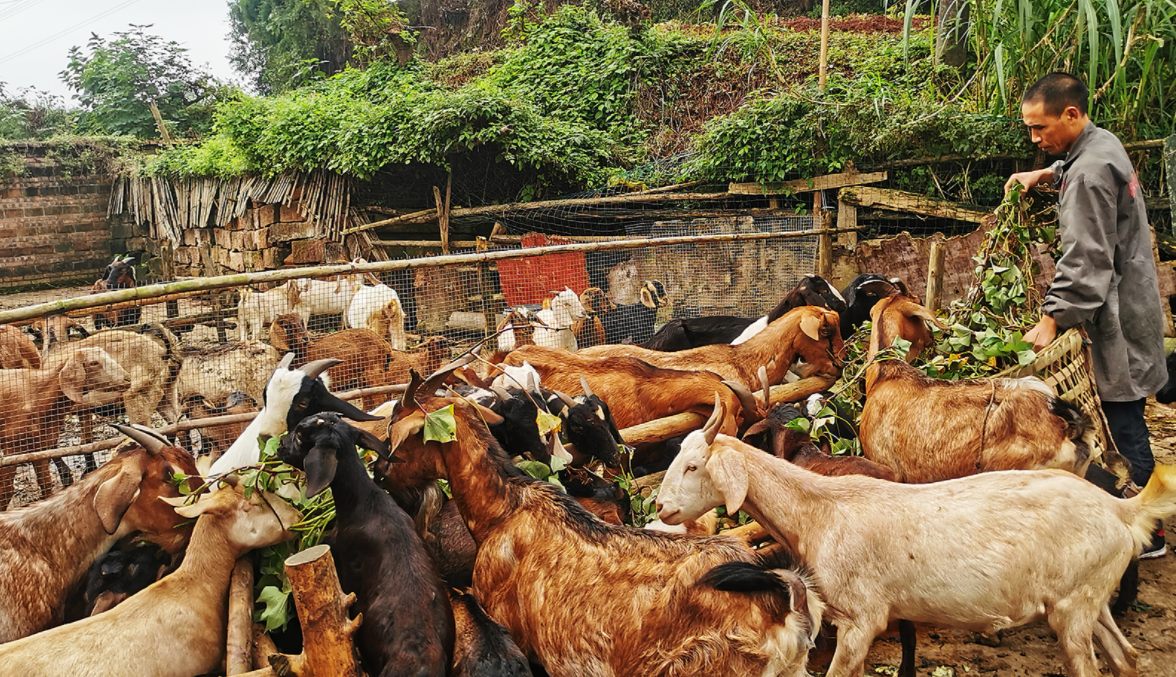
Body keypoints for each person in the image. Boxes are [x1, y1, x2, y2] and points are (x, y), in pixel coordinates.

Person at [1005, 72, 1168, 558]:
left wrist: (1053, 316)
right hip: (1134, 297)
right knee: (1129, 412)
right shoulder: (1102, 144)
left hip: (1116, 310)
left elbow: (1085, 259)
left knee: (1124, 422)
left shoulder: (1088, 175)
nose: (1035, 139)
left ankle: (1148, 533)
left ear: (1071, 115)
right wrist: (1046, 173)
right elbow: (1080, 166)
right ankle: (1147, 517)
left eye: (1040, 128)